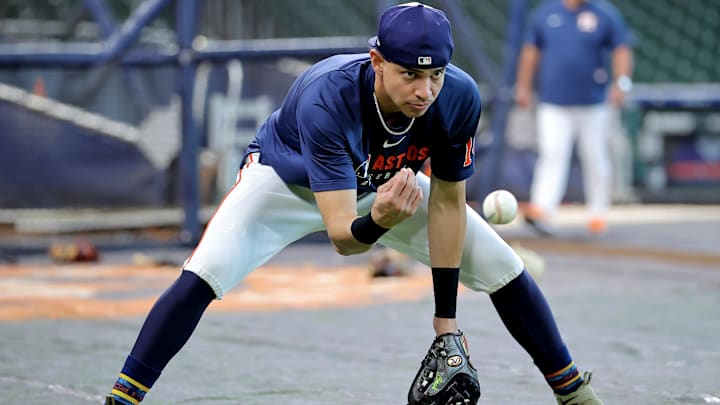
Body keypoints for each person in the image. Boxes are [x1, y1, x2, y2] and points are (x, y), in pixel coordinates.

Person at [105, 3, 603, 404]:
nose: (424, 91)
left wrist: (444, 324)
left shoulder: (458, 97)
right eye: (409, 75)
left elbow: (449, 205)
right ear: (377, 62)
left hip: (385, 186)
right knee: (206, 271)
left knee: (502, 264)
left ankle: (573, 392)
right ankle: (125, 396)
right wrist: (379, 221)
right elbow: (344, 238)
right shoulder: (330, 98)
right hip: (285, 182)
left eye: (435, 76)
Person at [515, 0, 634, 236]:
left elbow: (622, 48)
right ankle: (543, 211)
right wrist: (523, 86)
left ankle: (598, 213)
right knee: (552, 154)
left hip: (593, 102)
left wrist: (622, 83)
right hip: (553, 101)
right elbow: (531, 51)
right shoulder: (547, 13)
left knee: (595, 155)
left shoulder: (604, 13)